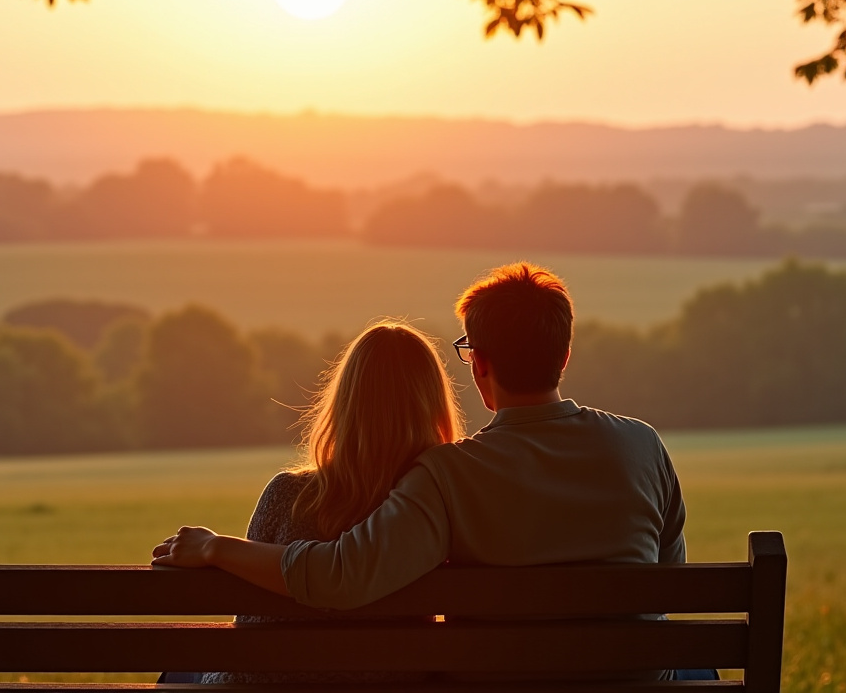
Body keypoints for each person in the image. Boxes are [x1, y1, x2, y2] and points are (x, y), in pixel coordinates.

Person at [153, 262, 703, 681]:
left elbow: (343, 574)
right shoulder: (643, 446)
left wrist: (216, 548)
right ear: (563, 356)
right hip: (635, 680)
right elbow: (667, 583)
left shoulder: (449, 474)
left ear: (480, 363)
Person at [173, 320, 464, 685]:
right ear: (433, 406)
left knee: (178, 672)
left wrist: (214, 547)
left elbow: (246, 625)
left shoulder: (287, 496)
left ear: (345, 402)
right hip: (389, 684)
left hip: (266, 687)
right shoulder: (433, 510)